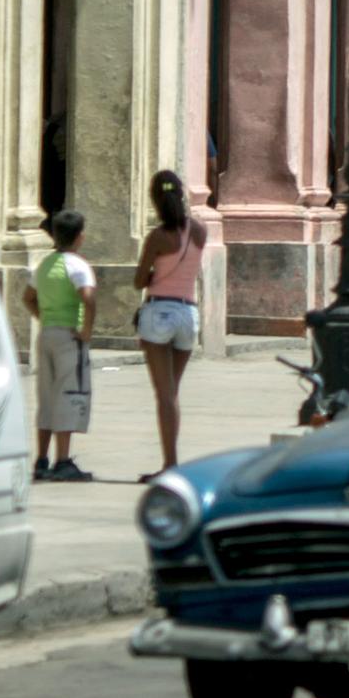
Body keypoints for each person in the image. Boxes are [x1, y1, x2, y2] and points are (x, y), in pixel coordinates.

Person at [133, 170, 206, 480]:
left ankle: (170, 464)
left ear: (155, 200)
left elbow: (139, 279)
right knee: (173, 393)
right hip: (188, 314)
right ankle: (171, 462)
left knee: (164, 395)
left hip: (159, 311)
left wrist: (152, 277)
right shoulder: (200, 232)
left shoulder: (157, 237)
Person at [20, 211, 96, 482]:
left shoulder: (45, 264)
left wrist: (44, 317)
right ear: (80, 237)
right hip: (69, 338)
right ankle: (62, 460)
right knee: (69, 395)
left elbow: (28, 297)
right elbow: (88, 298)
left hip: (47, 334)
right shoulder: (78, 265)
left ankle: (41, 459)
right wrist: (86, 330)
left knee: (47, 397)